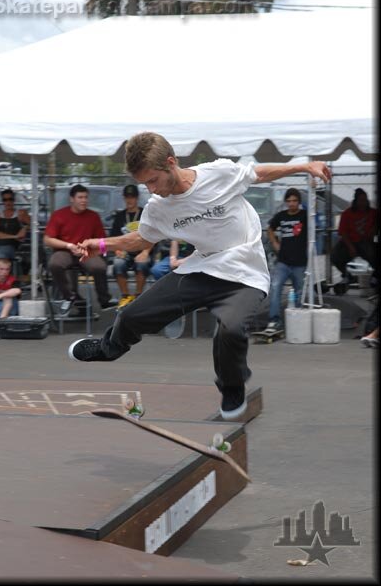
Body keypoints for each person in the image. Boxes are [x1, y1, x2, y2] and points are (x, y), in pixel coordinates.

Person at [68, 132, 331, 420]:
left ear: (171, 163)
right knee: (132, 314)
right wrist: (103, 244)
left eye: (154, 180)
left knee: (229, 330)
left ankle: (232, 388)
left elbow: (259, 173)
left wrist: (305, 166)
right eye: (145, 184)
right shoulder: (158, 207)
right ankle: (109, 348)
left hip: (245, 272)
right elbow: (143, 239)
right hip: (202, 267)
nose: (152, 190)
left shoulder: (218, 173)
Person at [44, 184, 117, 314]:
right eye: (80, 197)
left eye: (86, 197)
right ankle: (70, 296)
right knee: (54, 264)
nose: (84, 200)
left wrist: (95, 249)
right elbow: (48, 240)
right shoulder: (59, 215)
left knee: (99, 267)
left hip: (87, 252)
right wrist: (69, 246)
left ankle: (104, 299)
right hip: (65, 250)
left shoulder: (93, 216)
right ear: (72, 199)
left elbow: (102, 241)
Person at [265, 188, 308, 331]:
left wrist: (313, 186)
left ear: (299, 202)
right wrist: (275, 243)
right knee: (276, 287)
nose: (291, 204)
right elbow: (270, 228)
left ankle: (297, 319)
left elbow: (315, 217)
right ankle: (274, 319)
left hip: (300, 262)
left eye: (294, 201)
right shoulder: (281, 216)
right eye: (289, 201)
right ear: (285, 202)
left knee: (300, 291)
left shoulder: (305, 215)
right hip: (283, 261)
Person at [110, 184, 153, 308]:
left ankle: (138, 297)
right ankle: (126, 297)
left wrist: (145, 252)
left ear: (137, 198)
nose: (130, 200)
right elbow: (113, 237)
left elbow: (153, 236)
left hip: (142, 250)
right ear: (124, 198)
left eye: (132, 197)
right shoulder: (120, 216)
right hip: (125, 251)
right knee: (118, 263)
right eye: (127, 197)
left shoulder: (144, 214)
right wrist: (117, 250)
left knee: (142, 263)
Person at [331, 188, 378, 290]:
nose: (364, 203)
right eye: (361, 200)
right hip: (350, 241)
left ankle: (374, 278)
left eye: (365, 200)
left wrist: (374, 230)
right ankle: (348, 276)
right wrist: (351, 247)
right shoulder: (347, 214)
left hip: (366, 241)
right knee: (335, 256)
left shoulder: (373, 213)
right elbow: (343, 233)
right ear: (355, 201)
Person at [0, 189, 30, 274]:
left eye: (10, 199)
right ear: (2, 201)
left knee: (1, 256)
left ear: (14, 200)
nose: (8, 202)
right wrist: (15, 236)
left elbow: (33, 223)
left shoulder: (21, 213)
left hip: (9, 244)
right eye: (5, 200)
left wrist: (24, 228)